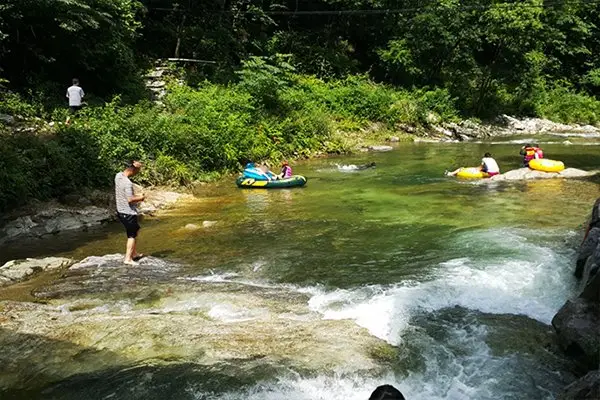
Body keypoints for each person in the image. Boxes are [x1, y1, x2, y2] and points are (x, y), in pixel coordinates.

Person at [115, 161, 145, 265]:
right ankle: (128, 259)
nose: (138, 173)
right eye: (138, 170)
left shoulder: (118, 176)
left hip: (120, 211)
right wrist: (141, 198)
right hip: (128, 213)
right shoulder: (128, 183)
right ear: (133, 169)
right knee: (132, 235)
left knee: (136, 230)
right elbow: (130, 199)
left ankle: (134, 253)